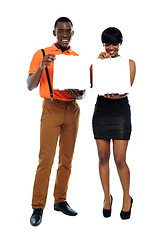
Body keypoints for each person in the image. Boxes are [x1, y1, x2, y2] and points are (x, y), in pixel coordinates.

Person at [27, 17, 85, 226]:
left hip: (72, 109)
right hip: (51, 108)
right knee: (46, 160)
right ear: (54, 33)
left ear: (72, 33)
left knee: (66, 160)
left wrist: (79, 93)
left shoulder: (76, 57)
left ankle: (60, 200)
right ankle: (37, 207)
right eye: (61, 31)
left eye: (68, 31)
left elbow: (82, 91)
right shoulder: (42, 54)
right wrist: (42, 67)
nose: (64, 35)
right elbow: (30, 85)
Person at [91, 27, 136, 219]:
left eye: (114, 43)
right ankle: (106, 197)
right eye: (107, 44)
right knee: (102, 157)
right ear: (103, 44)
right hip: (102, 110)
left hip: (120, 111)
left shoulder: (129, 63)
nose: (111, 47)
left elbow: (126, 87)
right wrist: (100, 64)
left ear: (120, 43)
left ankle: (127, 197)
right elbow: (92, 84)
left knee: (119, 159)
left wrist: (118, 93)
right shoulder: (98, 63)